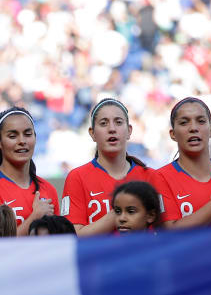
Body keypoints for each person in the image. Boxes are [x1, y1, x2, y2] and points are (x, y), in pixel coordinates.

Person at [61, 98, 155, 236]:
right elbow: (72, 236)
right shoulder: (77, 177)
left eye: (118, 122)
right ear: (92, 133)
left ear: (129, 131)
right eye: (104, 123)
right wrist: (121, 211)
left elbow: (164, 234)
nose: (112, 129)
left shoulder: (151, 176)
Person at [0, 107, 59, 236]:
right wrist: (35, 217)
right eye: (13, 136)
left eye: (28, 134)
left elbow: (58, 242)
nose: (22, 141)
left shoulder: (48, 189)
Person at [153, 97, 211, 229]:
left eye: (201, 121)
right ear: (172, 134)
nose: (193, 128)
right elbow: (169, 233)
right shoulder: (160, 178)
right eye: (184, 122)